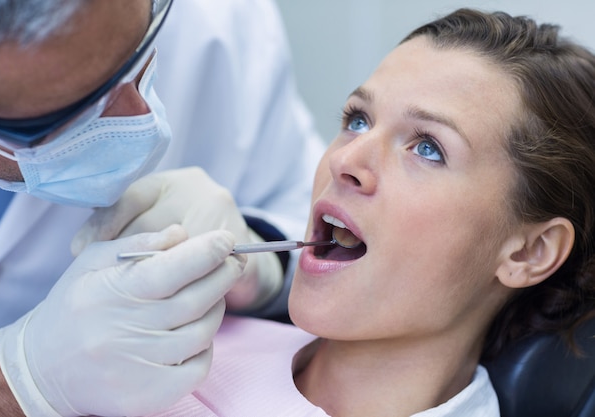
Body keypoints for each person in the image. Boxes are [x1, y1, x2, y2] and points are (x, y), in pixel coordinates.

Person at [141, 8, 595, 416]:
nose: (345, 160)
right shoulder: (164, 340)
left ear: (530, 252)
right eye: (358, 120)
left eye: (427, 149)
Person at [0, 0, 323, 416]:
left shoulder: (218, 18)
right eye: (72, 111)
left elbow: (308, 210)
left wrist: (263, 252)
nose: (143, 118)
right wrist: (18, 379)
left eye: (141, 48)